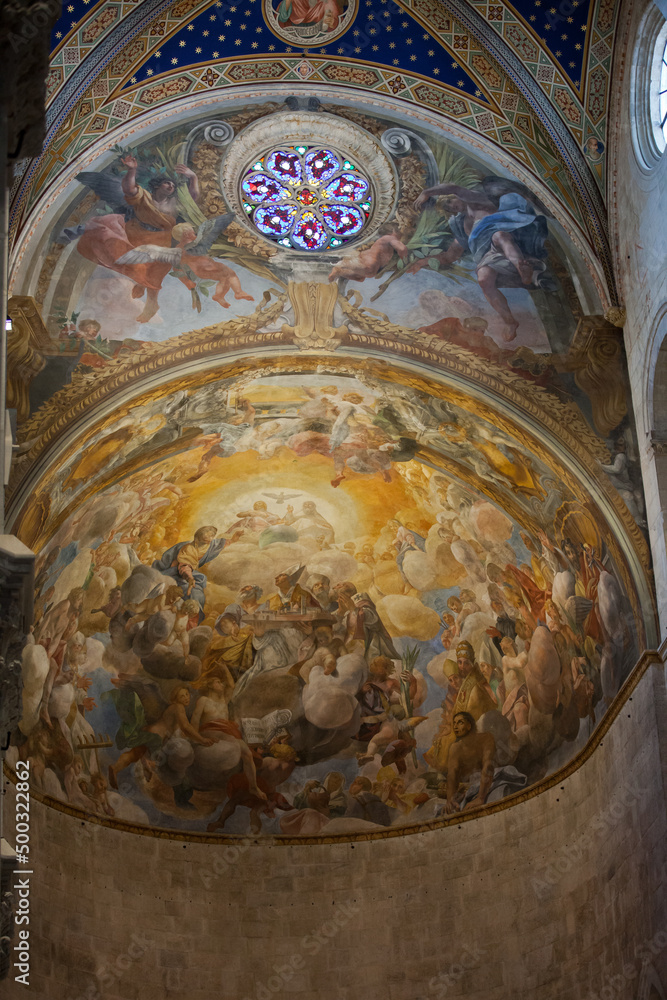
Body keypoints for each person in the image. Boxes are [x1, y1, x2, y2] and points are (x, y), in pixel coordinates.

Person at [409, 182, 551, 340]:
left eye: (450, 201)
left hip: (504, 233)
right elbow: (449, 256)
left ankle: (521, 268)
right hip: (487, 253)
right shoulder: (462, 227)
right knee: (483, 279)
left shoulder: (475, 202)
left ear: (455, 197)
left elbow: (455, 187)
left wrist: (427, 192)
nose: (451, 207)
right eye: (447, 208)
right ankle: (510, 321)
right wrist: (421, 262)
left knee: (500, 237)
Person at [190, 672, 266, 801]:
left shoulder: (224, 700)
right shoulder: (204, 700)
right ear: (210, 685)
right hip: (209, 730)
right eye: (218, 682)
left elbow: (232, 685)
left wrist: (224, 669)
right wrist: (197, 739)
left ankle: (253, 787)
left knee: (247, 753)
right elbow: (195, 721)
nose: (222, 684)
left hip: (226, 732)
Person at [152, 525, 227, 614]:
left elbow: (219, 544)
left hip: (190, 574)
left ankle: (193, 618)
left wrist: (234, 539)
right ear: (199, 537)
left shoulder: (209, 546)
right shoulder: (189, 548)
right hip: (178, 573)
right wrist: (190, 578)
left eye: (212, 536)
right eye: (207, 535)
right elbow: (185, 565)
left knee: (197, 593)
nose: (210, 538)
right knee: (194, 593)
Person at [445, 712, 496, 812]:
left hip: (489, 783)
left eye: (460, 722)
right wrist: (450, 801)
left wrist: (480, 798)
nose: (455, 727)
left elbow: (488, 765)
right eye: (454, 723)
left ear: (469, 725)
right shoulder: (455, 748)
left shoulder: (486, 738)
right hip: (470, 788)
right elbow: (452, 774)